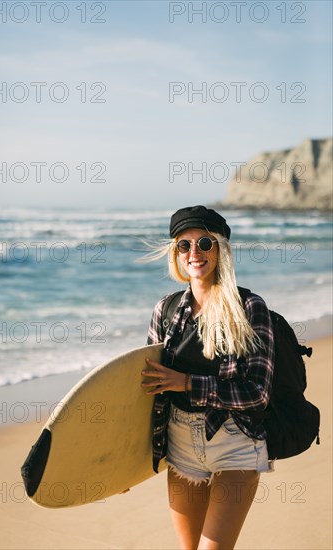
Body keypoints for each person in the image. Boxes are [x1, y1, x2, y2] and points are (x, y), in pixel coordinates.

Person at [141, 205, 275, 550]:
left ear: (221, 249)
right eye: (183, 246)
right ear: (175, 254)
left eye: (204, 243)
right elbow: (147, 391)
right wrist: (124, 465)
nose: (194, 253)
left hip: (235, 442)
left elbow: (257, 393)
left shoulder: (249, 307)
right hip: (180, 442)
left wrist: (186, 382)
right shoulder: (165, 310)